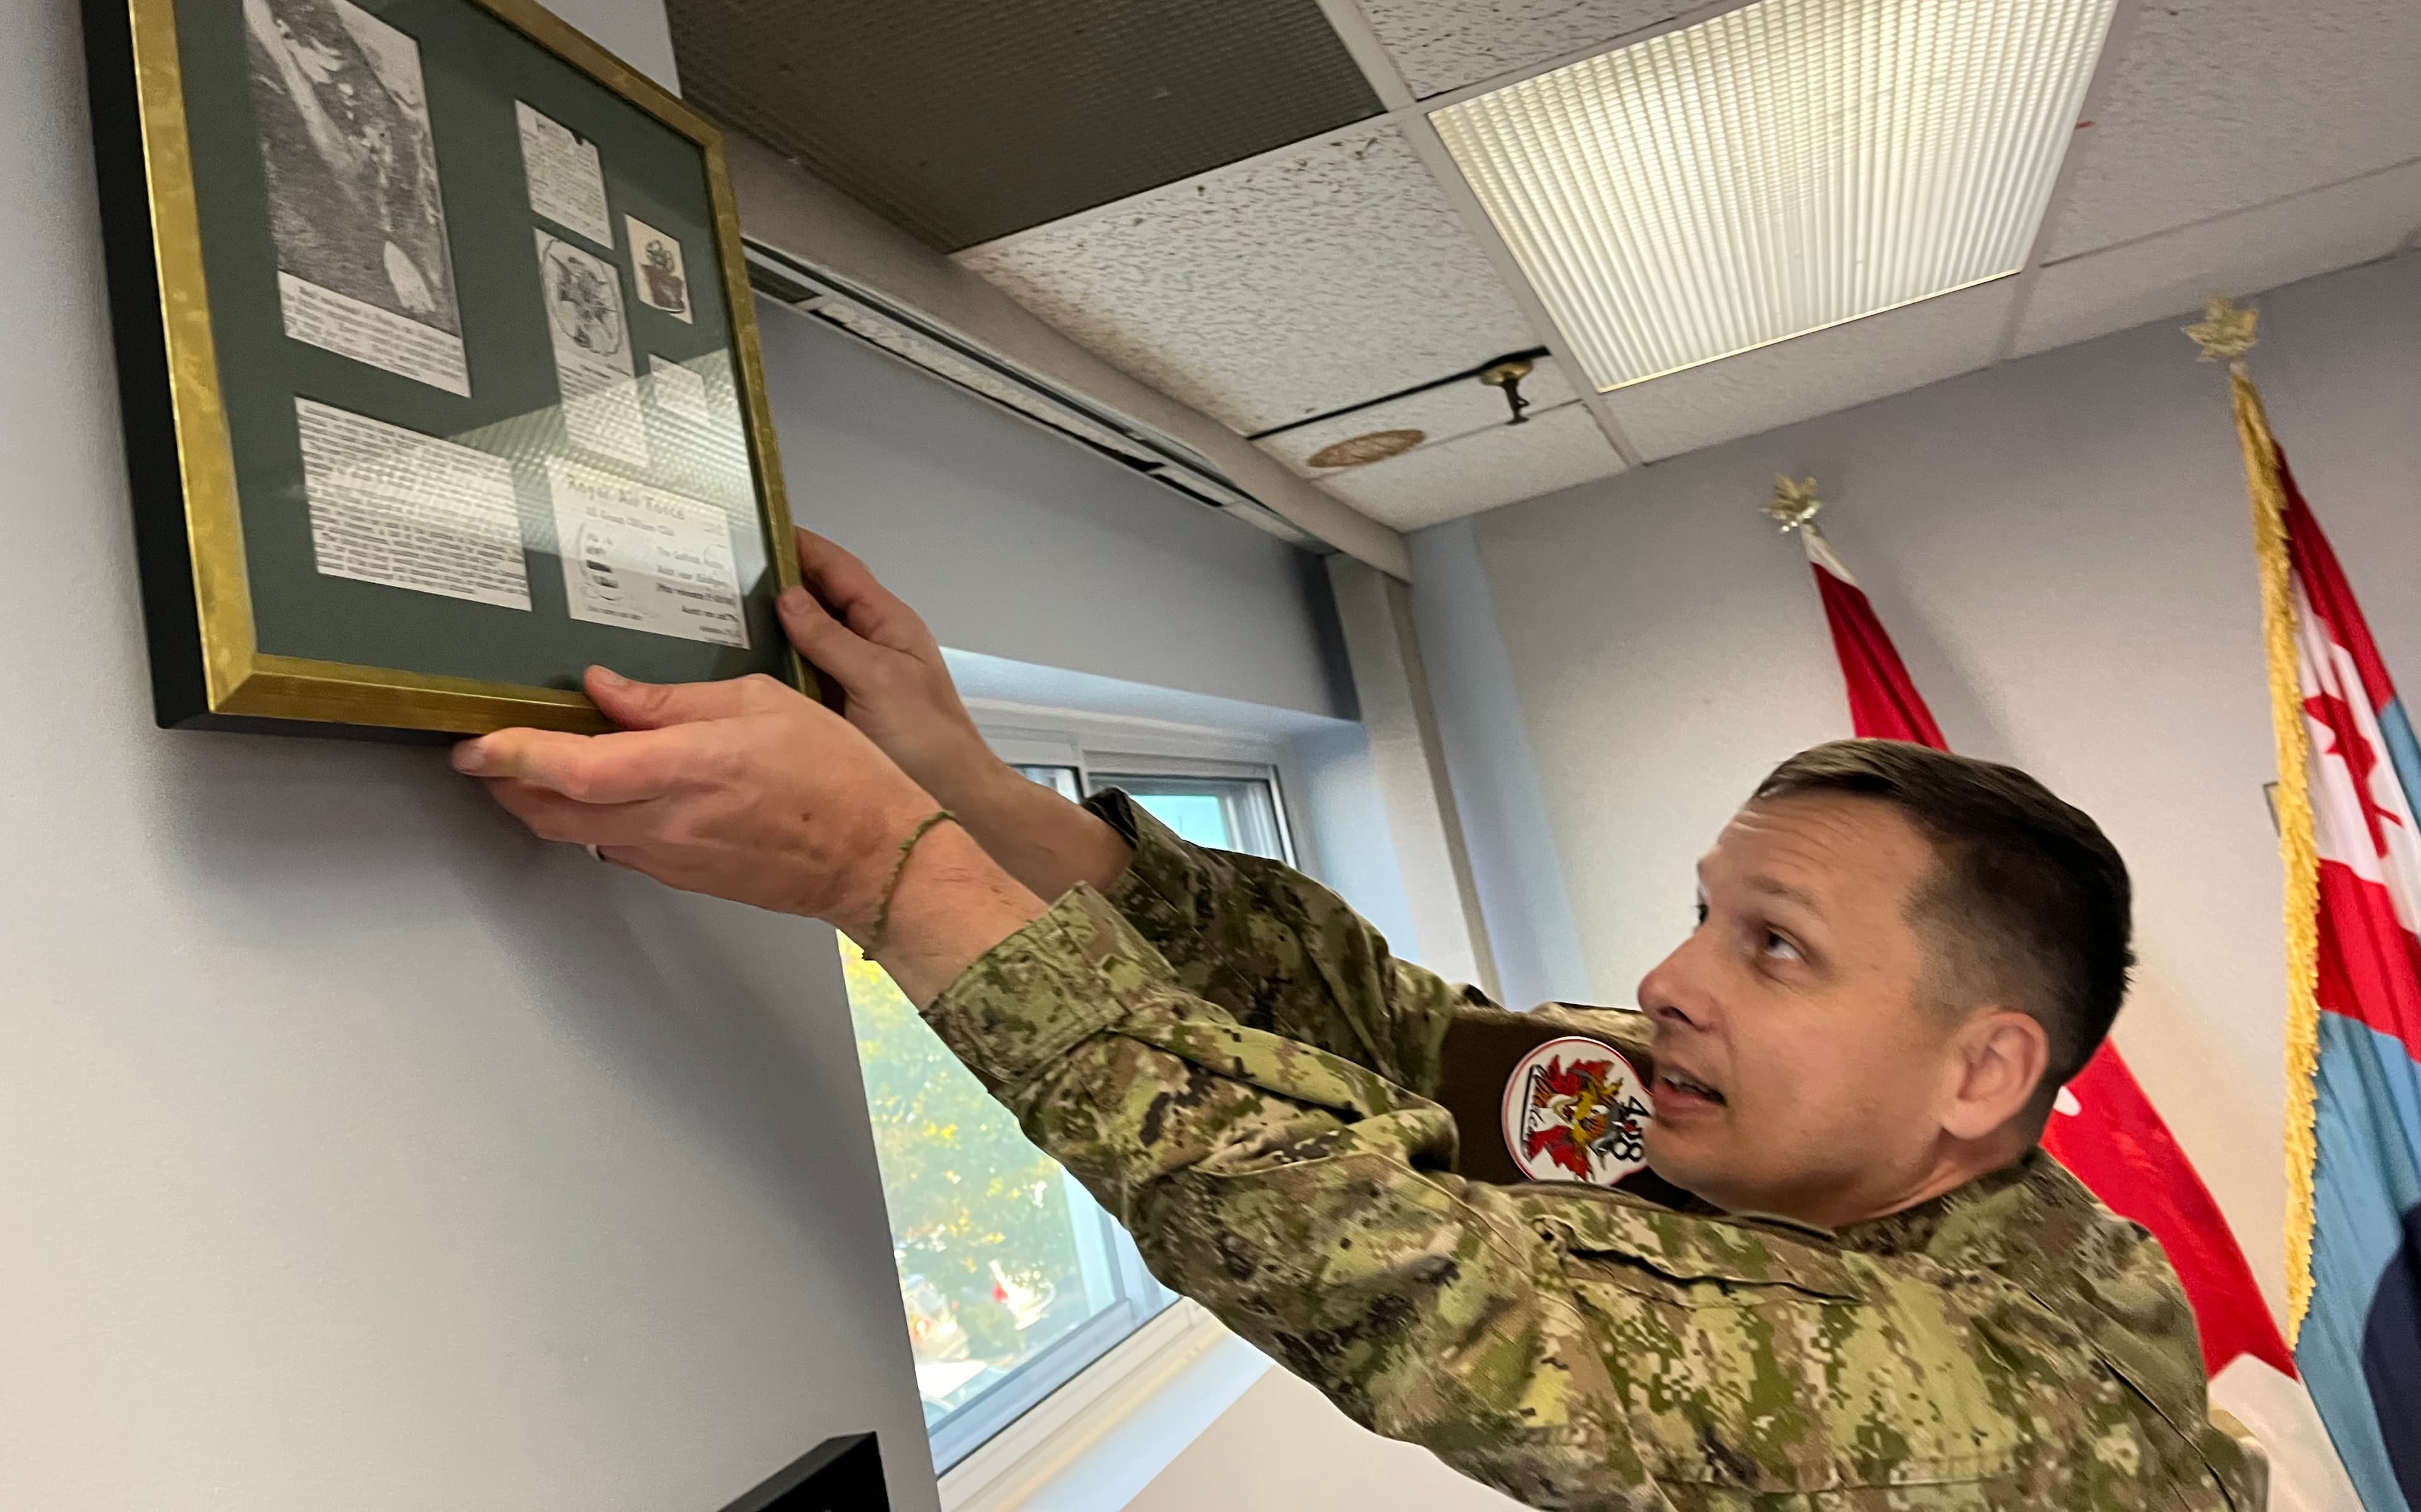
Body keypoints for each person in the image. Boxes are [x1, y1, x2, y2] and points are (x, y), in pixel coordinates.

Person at [451, 531, 2263, 1510]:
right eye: (1706, 912)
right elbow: (1400, 1041)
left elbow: (1417, 1276)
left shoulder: (2007, 1420)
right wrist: (973, 796)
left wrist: (895, 875)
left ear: (1982, 1071)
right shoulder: (1741, 1120)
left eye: (1773, 947)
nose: (1670, 980)